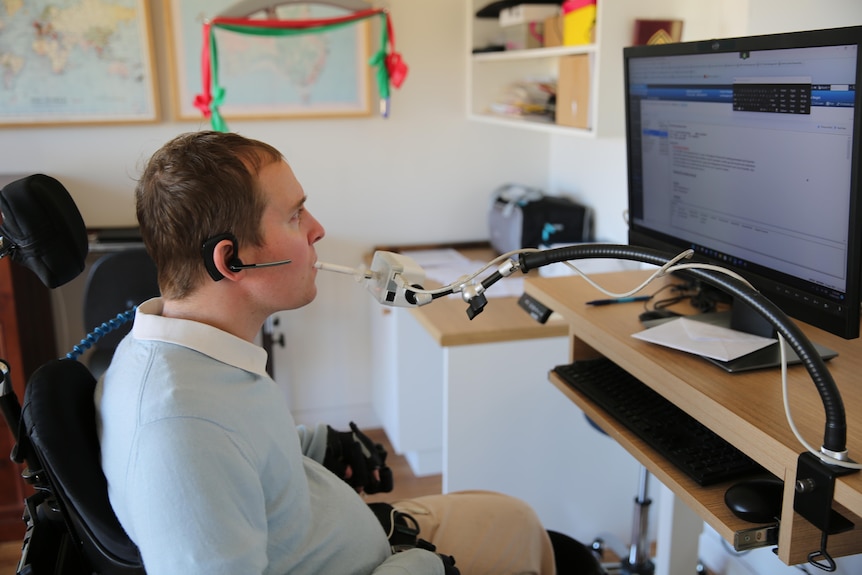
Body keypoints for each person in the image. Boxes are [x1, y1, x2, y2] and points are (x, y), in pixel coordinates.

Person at [95, 130, 557, 575]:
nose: (317, 230)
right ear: (230, 260)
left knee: (518, 522)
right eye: (295, 216)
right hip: (384, 561)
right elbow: (209, 456)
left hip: (348, 531)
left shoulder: (194, 352)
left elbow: (241, 457)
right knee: (527, 539)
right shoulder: (179, 432)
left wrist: (315, 445)